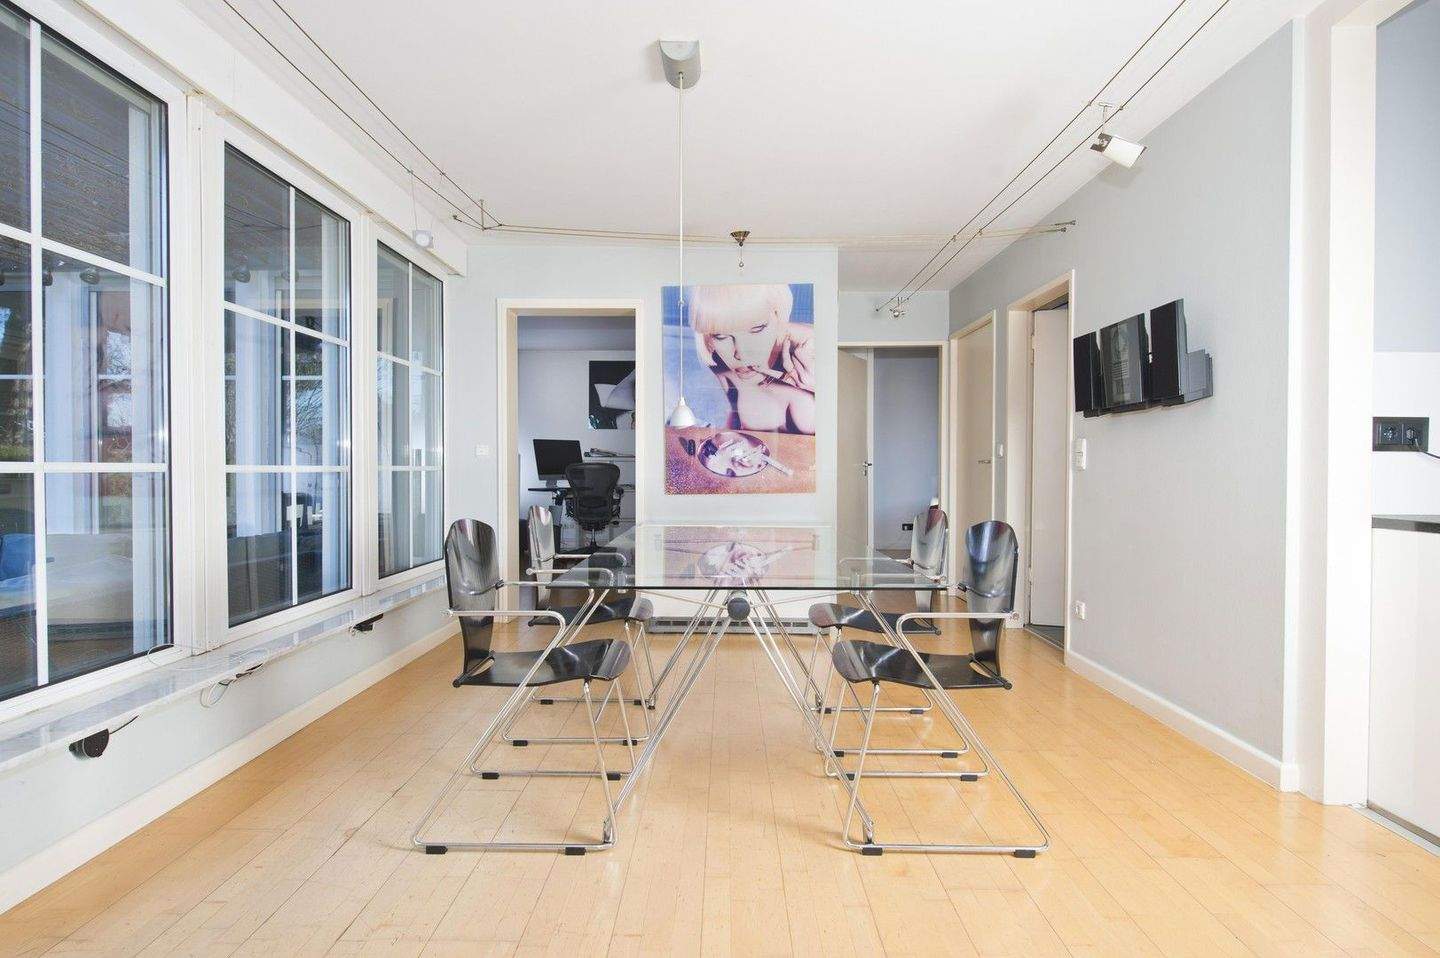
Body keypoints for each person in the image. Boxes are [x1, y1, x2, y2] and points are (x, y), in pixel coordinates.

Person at [687, 284, 816, 435]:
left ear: (778, 316)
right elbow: (733, 416)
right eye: (721, 336)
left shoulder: (813, 351)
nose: (742, 355)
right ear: (708, 338)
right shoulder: (717, 359)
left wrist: (822, 390)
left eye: (757, 329)